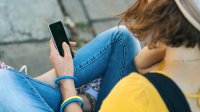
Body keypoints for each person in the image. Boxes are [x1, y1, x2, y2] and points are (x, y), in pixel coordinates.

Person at [0, 0, 200, 112]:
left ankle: (80, 100)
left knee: (3, 85)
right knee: (122, 38)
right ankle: (87, 100)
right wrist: (169, 39)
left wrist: (66, 79)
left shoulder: (136, 94)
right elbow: (139, 61)